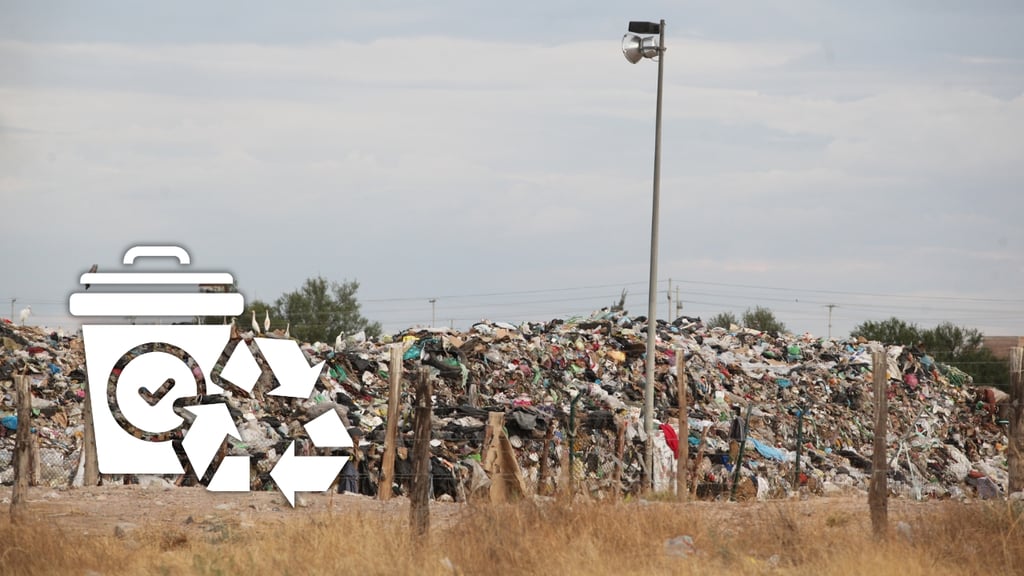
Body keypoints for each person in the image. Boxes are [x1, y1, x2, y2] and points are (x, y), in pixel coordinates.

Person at [339, 427, 363, 494]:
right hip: (348, 471)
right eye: (357, 438)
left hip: (353, 471)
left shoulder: (357, 448)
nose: (358, 439)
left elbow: (358, 458)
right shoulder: (347, 448)